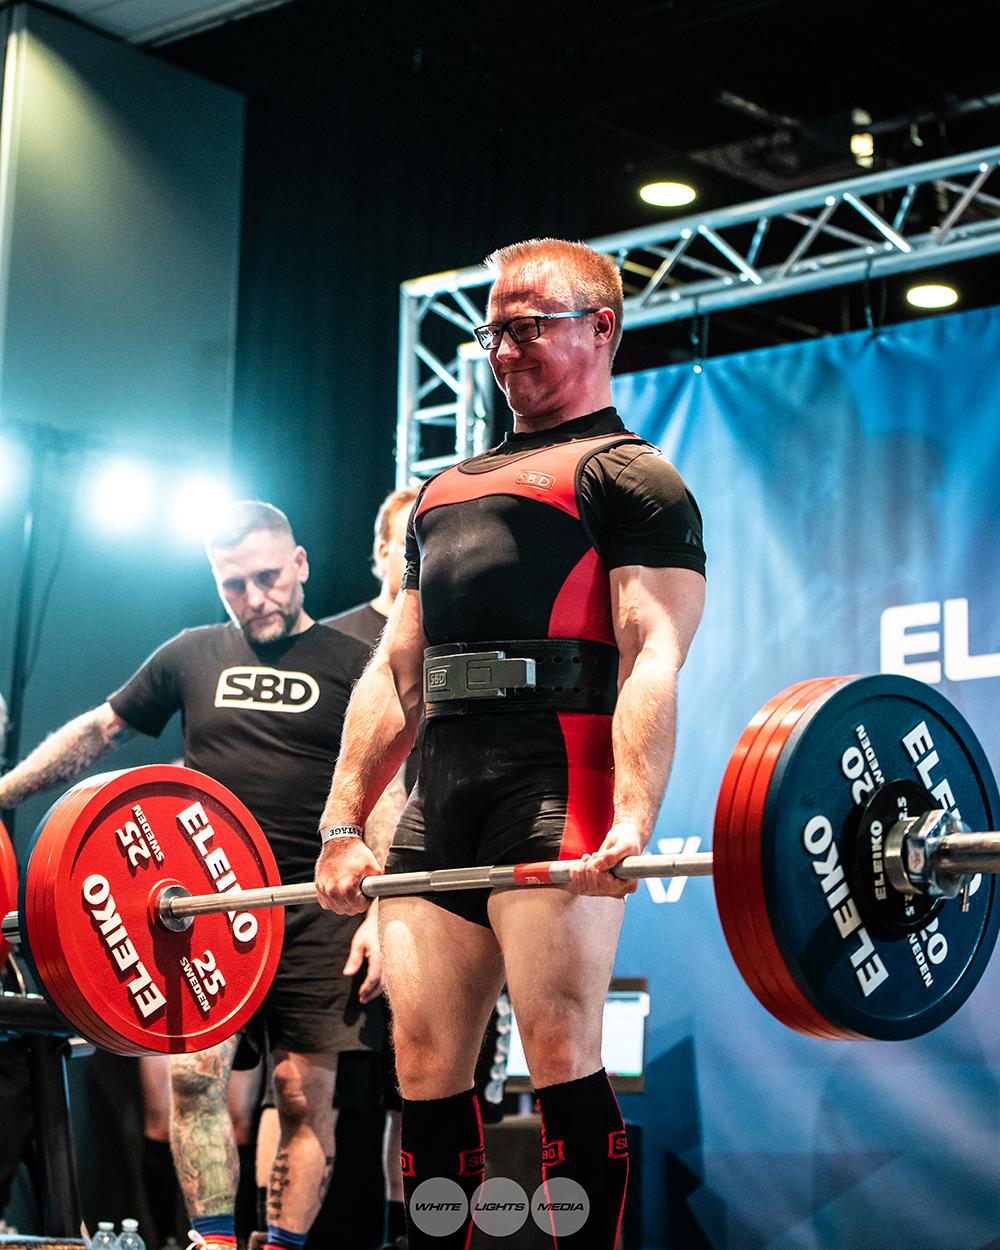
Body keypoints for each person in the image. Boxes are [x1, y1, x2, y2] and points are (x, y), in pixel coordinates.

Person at [314, 238, 706, 1249]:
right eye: (494, 326)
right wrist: (341, 823)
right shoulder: (442, 491)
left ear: (599, 327)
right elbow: (397, 671)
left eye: (529, 322)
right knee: (423, 1061)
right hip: (441, 794)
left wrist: (631, 814)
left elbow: (650, 650)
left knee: (560, 1047)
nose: (504, 344)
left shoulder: (632, 478)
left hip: (555, 784)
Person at [0, 501, 404, 1250]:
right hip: (211, 905)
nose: (255, 599)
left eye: (267, 578)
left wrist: (380, 914)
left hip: (319, 909)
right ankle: (213, 1241)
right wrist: (2, 793)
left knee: (302, 1097)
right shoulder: (190, 654)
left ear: (301, 565)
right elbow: (98, 731)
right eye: (234, 585)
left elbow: (387, 791)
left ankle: (279, 1246)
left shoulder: (355, 665)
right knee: (193, 1080)